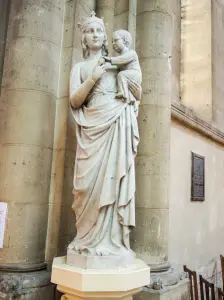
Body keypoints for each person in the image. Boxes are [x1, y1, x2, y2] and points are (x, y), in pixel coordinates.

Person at [68, 12, 142, 261]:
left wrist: (132, 95)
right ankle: (86, 239)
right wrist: (92, 78)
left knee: (113, 180)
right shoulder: (79, 67)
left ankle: (111, 242)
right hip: (91, 131)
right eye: (91, 31)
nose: (96, 35)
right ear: (83, 38)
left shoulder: (117, 63)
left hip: (115, 125)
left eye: (100, 31)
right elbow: (75, 100)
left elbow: (137, 91)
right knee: (88, 186)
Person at [103, 30, 142, 104]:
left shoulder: (131, 53)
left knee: (121, 75)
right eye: (112, 41)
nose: (113, 43)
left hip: (135, 74)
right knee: (122, 75)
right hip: (129, 75)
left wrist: (110, 59)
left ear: (125, 41)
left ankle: (122, 93)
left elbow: (122, 59)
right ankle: (126, 96)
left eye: (116, 40)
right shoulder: (120, 57)